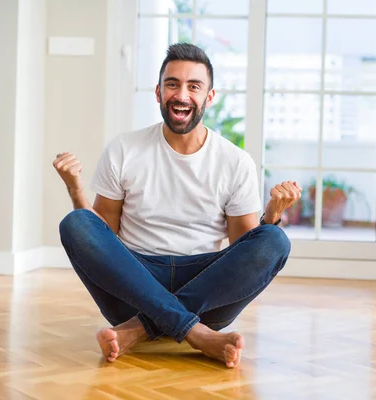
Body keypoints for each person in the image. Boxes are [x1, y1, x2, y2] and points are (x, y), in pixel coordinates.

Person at [53, 43, 301, 368]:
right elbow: (102, 234)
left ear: (209, 97)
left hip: (206, 291)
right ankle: (198, 336)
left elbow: (244, 249)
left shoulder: (236, 162)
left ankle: (140, 330)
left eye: (193, 86)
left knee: (274, 240)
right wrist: (75, 188)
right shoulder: (124, 149)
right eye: (172, 84)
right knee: (76, 224)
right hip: (133, 285)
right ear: (158, 92)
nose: (181, 95)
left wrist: (273, 215)